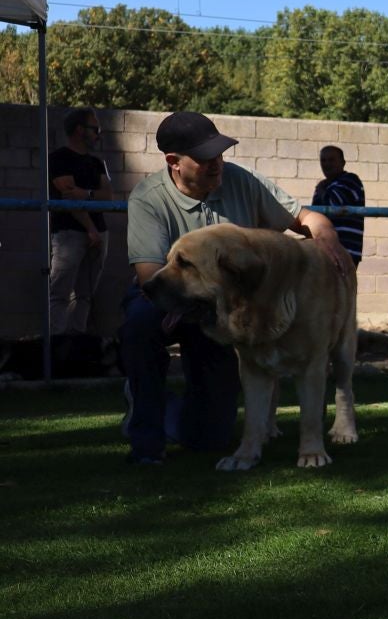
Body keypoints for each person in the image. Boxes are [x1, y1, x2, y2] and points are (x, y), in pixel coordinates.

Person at [120, 111, 352, 464]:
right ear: (174, 162)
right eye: (205, 159)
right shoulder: (148, 199)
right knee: (139, 323)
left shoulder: (240, 180)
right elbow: (151, 276)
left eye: (220, 155)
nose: (217, 165)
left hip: (230, 312)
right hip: (174, 300)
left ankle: (173, 409)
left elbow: (305, 218)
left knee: (210, 436)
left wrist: (327, 235)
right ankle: (146, 437)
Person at [47, 107, 111, 334]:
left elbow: (107, 195)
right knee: (60, 292)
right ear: (79, 130)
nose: (98, 134)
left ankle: (77, 346)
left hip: (98, 233)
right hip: (69, 234)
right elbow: (69, 197)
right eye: (95, 129)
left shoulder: (97, 163)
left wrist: (86, 194)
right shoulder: (58, 158)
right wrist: (90, 229)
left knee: (85, 295)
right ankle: (58, 348)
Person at [312, 145, 366, 266]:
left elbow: (334, 204)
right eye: (323, 160)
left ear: (343, 163)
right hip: (325, 250)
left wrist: (322, 191)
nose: (327, 164)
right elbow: (316, 213)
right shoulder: (324, 186)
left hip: (346, 251)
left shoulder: (350, 180)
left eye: (331, 160)